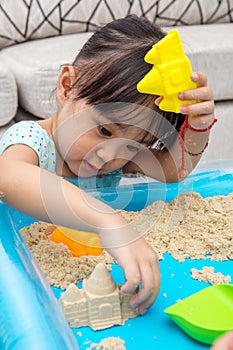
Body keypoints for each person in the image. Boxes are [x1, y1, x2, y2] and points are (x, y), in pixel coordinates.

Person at [0, 15, 215, 315]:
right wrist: (107, 221)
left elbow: (172, 172)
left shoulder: (113, 162)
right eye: (103, 131)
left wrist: (197, 129)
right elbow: (8, 176)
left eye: (131, 145)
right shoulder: (32, 141)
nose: (106, 155)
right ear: (66, 87)